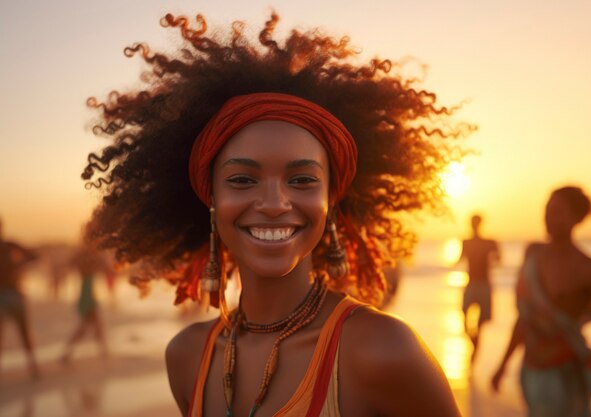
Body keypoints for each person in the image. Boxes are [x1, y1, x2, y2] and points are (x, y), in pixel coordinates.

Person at [81, 12, 467, 416]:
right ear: (210, 198)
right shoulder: (187, 357)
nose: (273, 203)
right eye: (243, 180)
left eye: (302, 180)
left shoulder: (382, 352)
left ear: (331, 200)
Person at [491, 186, 591, 417]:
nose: (547, 217)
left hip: (566, 375)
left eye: (557, 211)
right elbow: (525, 318)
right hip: (531, 371)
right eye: (546, 209)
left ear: (576, 218)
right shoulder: (532, 254)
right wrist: (502, 365)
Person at [456, 214, 500, 364]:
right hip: (472, 283)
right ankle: (472, 340)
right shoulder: (466, 242)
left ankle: (473, 357)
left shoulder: (489, 242)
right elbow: (460, 259)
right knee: (463, 313)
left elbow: (499, 259)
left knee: (480, 324)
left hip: (484, 284)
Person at [0, 217, 39, 379]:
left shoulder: (10, 245)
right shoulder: (10, 246)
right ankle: (33, 368)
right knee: (24, 333)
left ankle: (33, 368)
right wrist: (18, 266)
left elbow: (34, 256)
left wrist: (18, 267)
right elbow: (34, 256)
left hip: (5, 296)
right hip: (14, 294)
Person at [60, 243, 112, 363]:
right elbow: (106, 268)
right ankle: (68, 352)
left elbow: (69, 264)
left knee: (94, 325)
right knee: (86, 327)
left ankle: (102, 349)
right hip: (88, 294)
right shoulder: (91, 256)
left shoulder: (82, 255)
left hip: (85, 293)